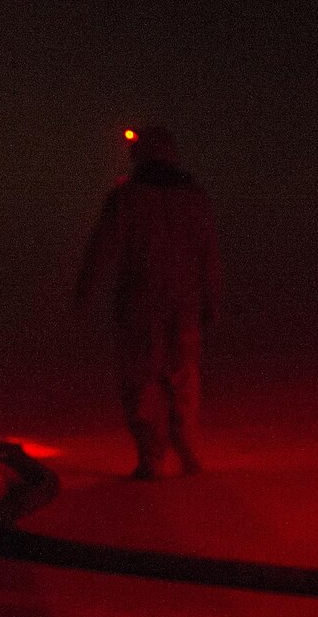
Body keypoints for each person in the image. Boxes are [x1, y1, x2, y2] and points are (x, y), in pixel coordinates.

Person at [74, 125, 222, 478]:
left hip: (139, 303)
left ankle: (152, 458)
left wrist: (85, 288)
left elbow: (101, 247)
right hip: (183, 304)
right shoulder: (194, 197)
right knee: (184, 378)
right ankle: (188, 451)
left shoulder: (127, 198)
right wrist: (211, 299)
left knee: (143, 380)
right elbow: (209, 254)